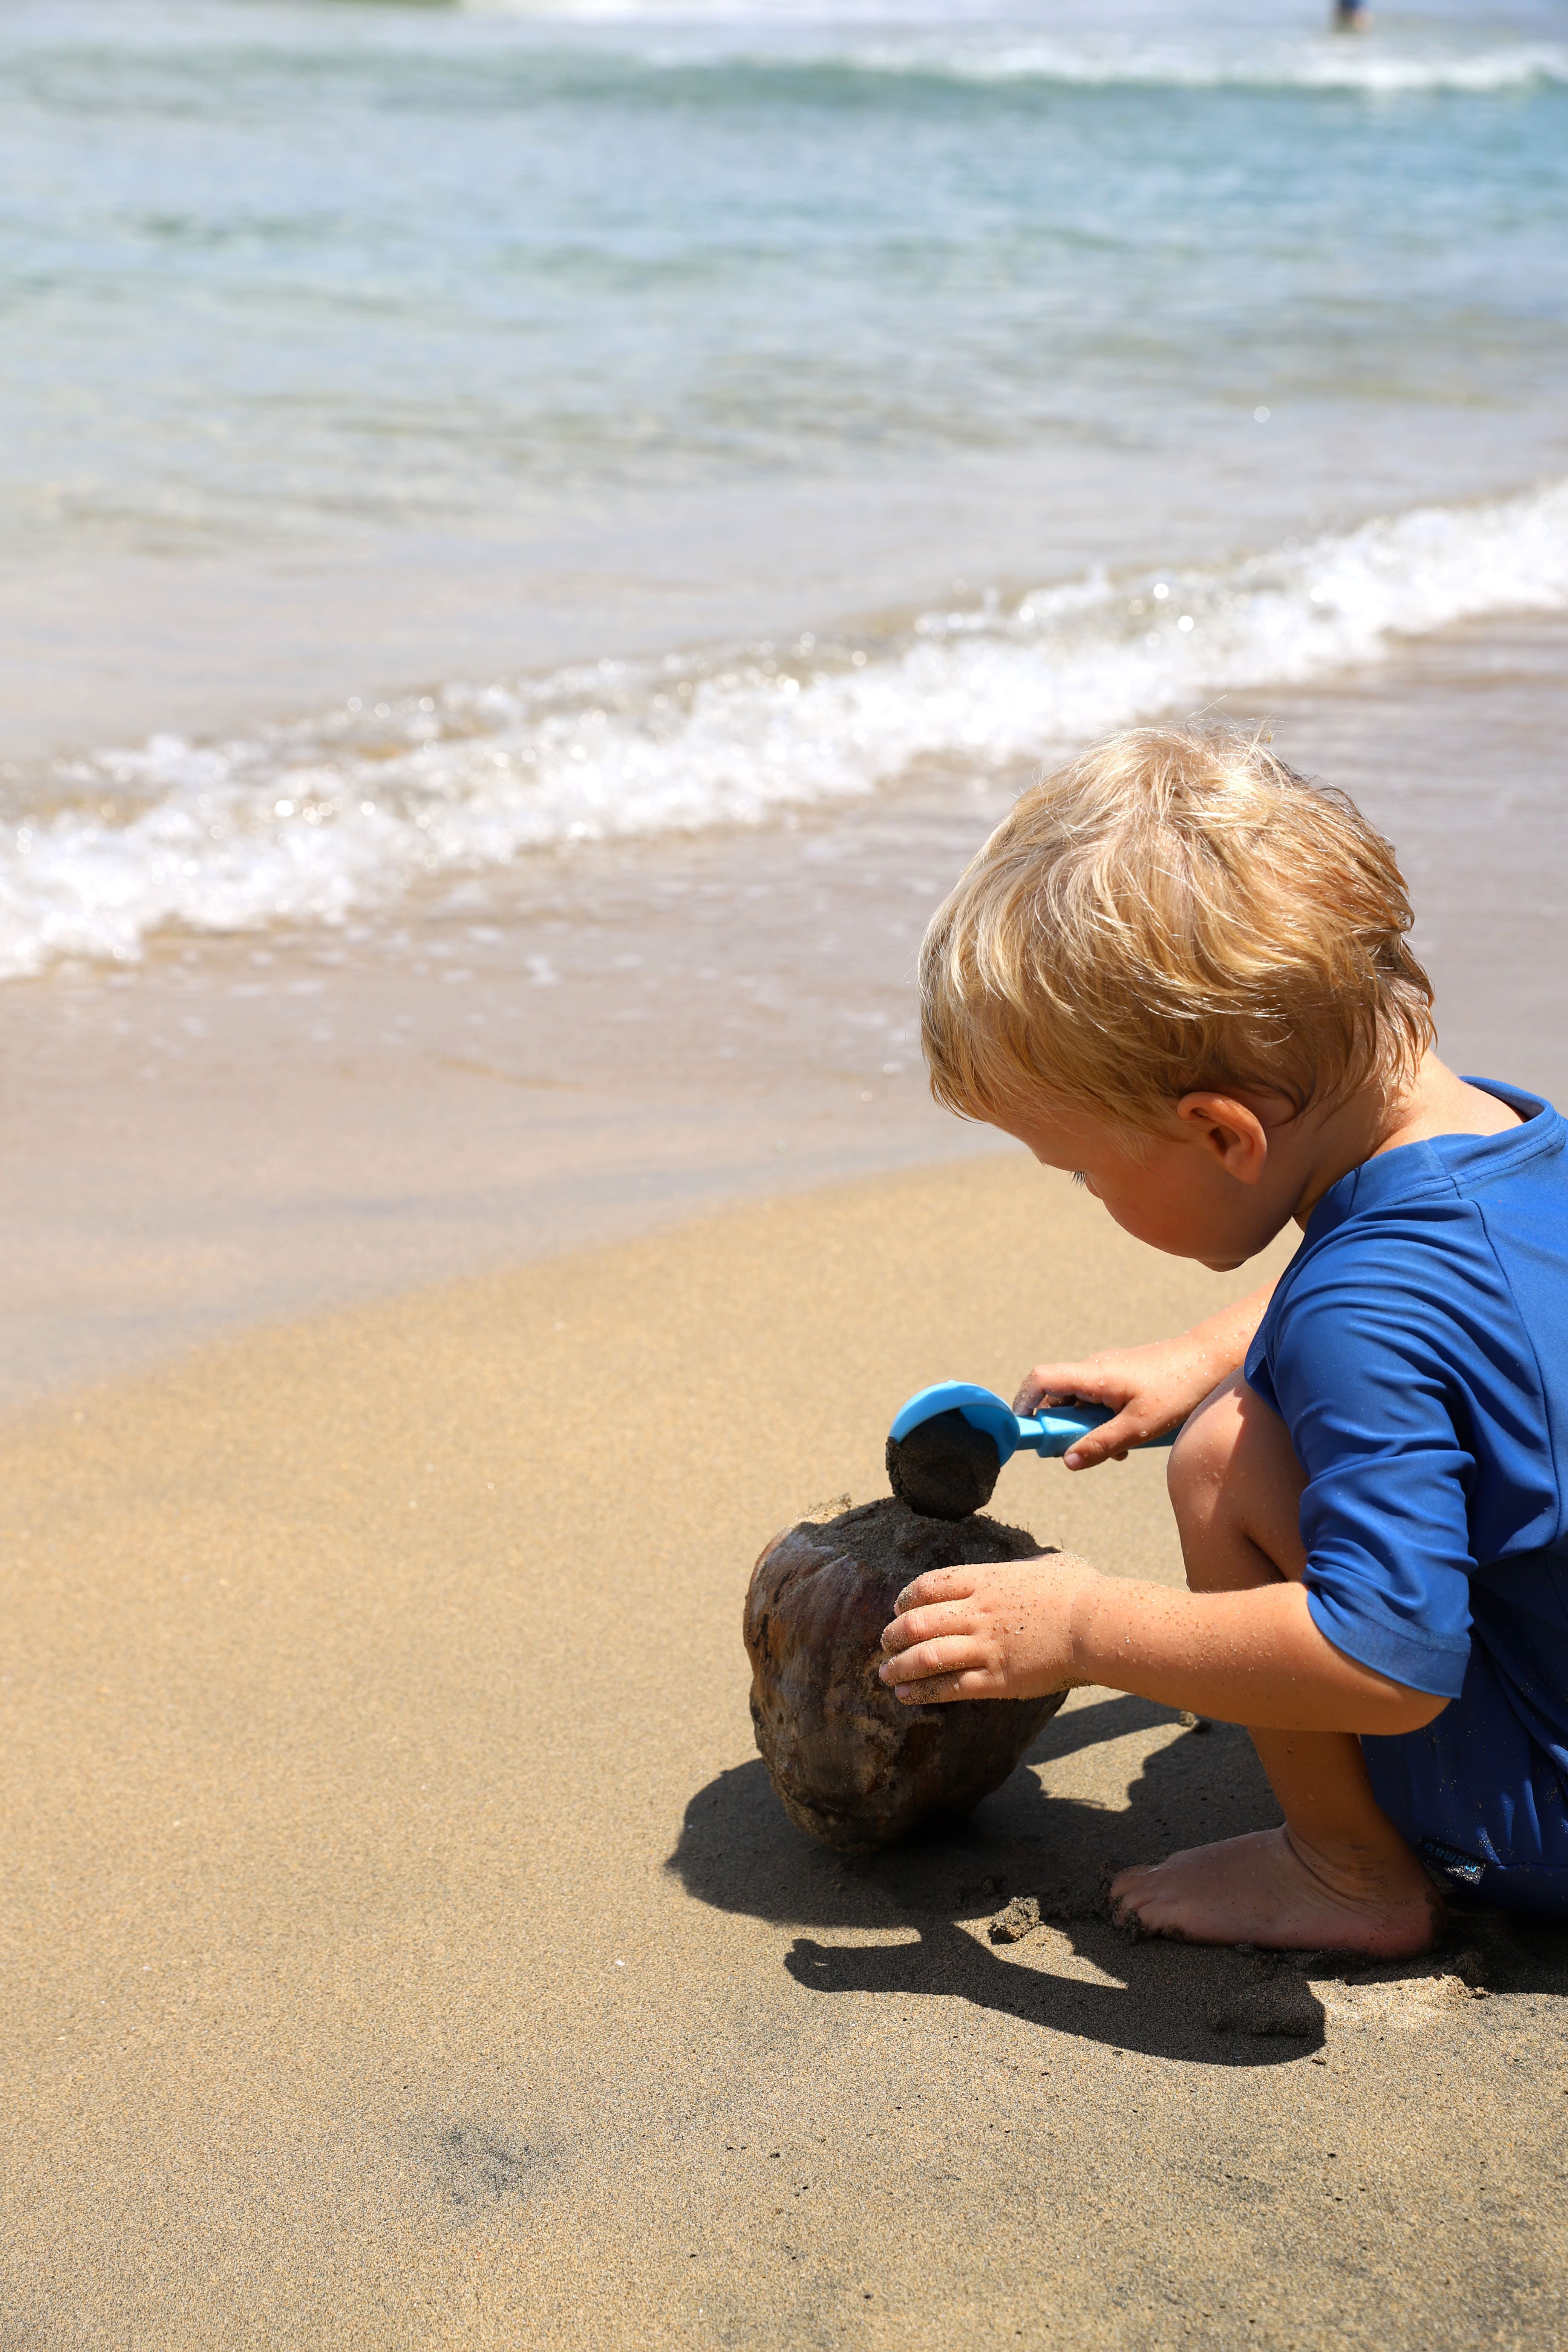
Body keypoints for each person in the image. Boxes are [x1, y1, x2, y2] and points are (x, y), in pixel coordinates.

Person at [877, 725, 1568, 1953]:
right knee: (1240, 1398)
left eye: (1085, 1170)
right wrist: (1210, 1344)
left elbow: (1386, 1658)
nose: (1087, 1195)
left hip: (1544, 1813)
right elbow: (1429, 1304)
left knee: (1227, 1455)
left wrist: (1087, 1629)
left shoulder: (1359, 1319)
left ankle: (1349, 1872)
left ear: (1224, 1136)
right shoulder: (1515, 1141)